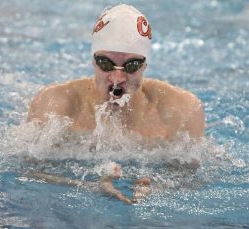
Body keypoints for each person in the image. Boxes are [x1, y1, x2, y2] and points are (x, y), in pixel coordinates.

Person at [26, 4, 205, 204]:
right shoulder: (55, 104)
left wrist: (154, 185)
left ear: (145, 64)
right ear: (93, 61)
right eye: (105, 63)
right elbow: (28, 171)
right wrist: (90, 185)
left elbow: (192, 178)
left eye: (132, 65)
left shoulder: (182, 110)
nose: (118, 78)